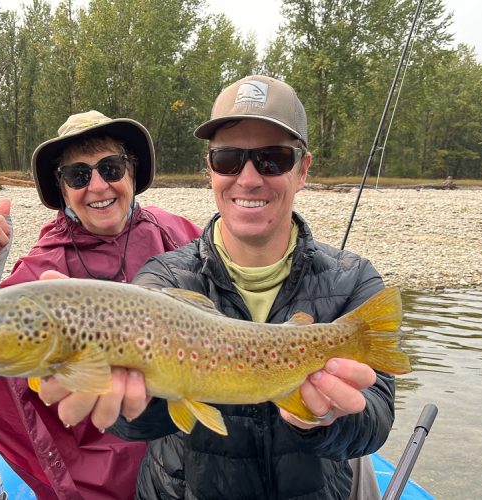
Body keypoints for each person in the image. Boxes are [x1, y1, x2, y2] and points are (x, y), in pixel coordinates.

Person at [40, 76, 396, 499]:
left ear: (303, 171)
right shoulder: (164, 278)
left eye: (272, 159)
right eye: (228, 159)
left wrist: (325, 421)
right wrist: (133, 396)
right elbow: (134, 424)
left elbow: (374, 422)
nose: (247, 179)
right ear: (209, 170)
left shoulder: (355, 280)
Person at [0, 110, 201, 499]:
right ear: (62, 188)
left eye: (110, 168)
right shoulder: (42, 274)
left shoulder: (180, 234)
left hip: (189, 448)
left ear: (131, 171)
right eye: (78, 175)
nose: (97, 186)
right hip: (100, 471)